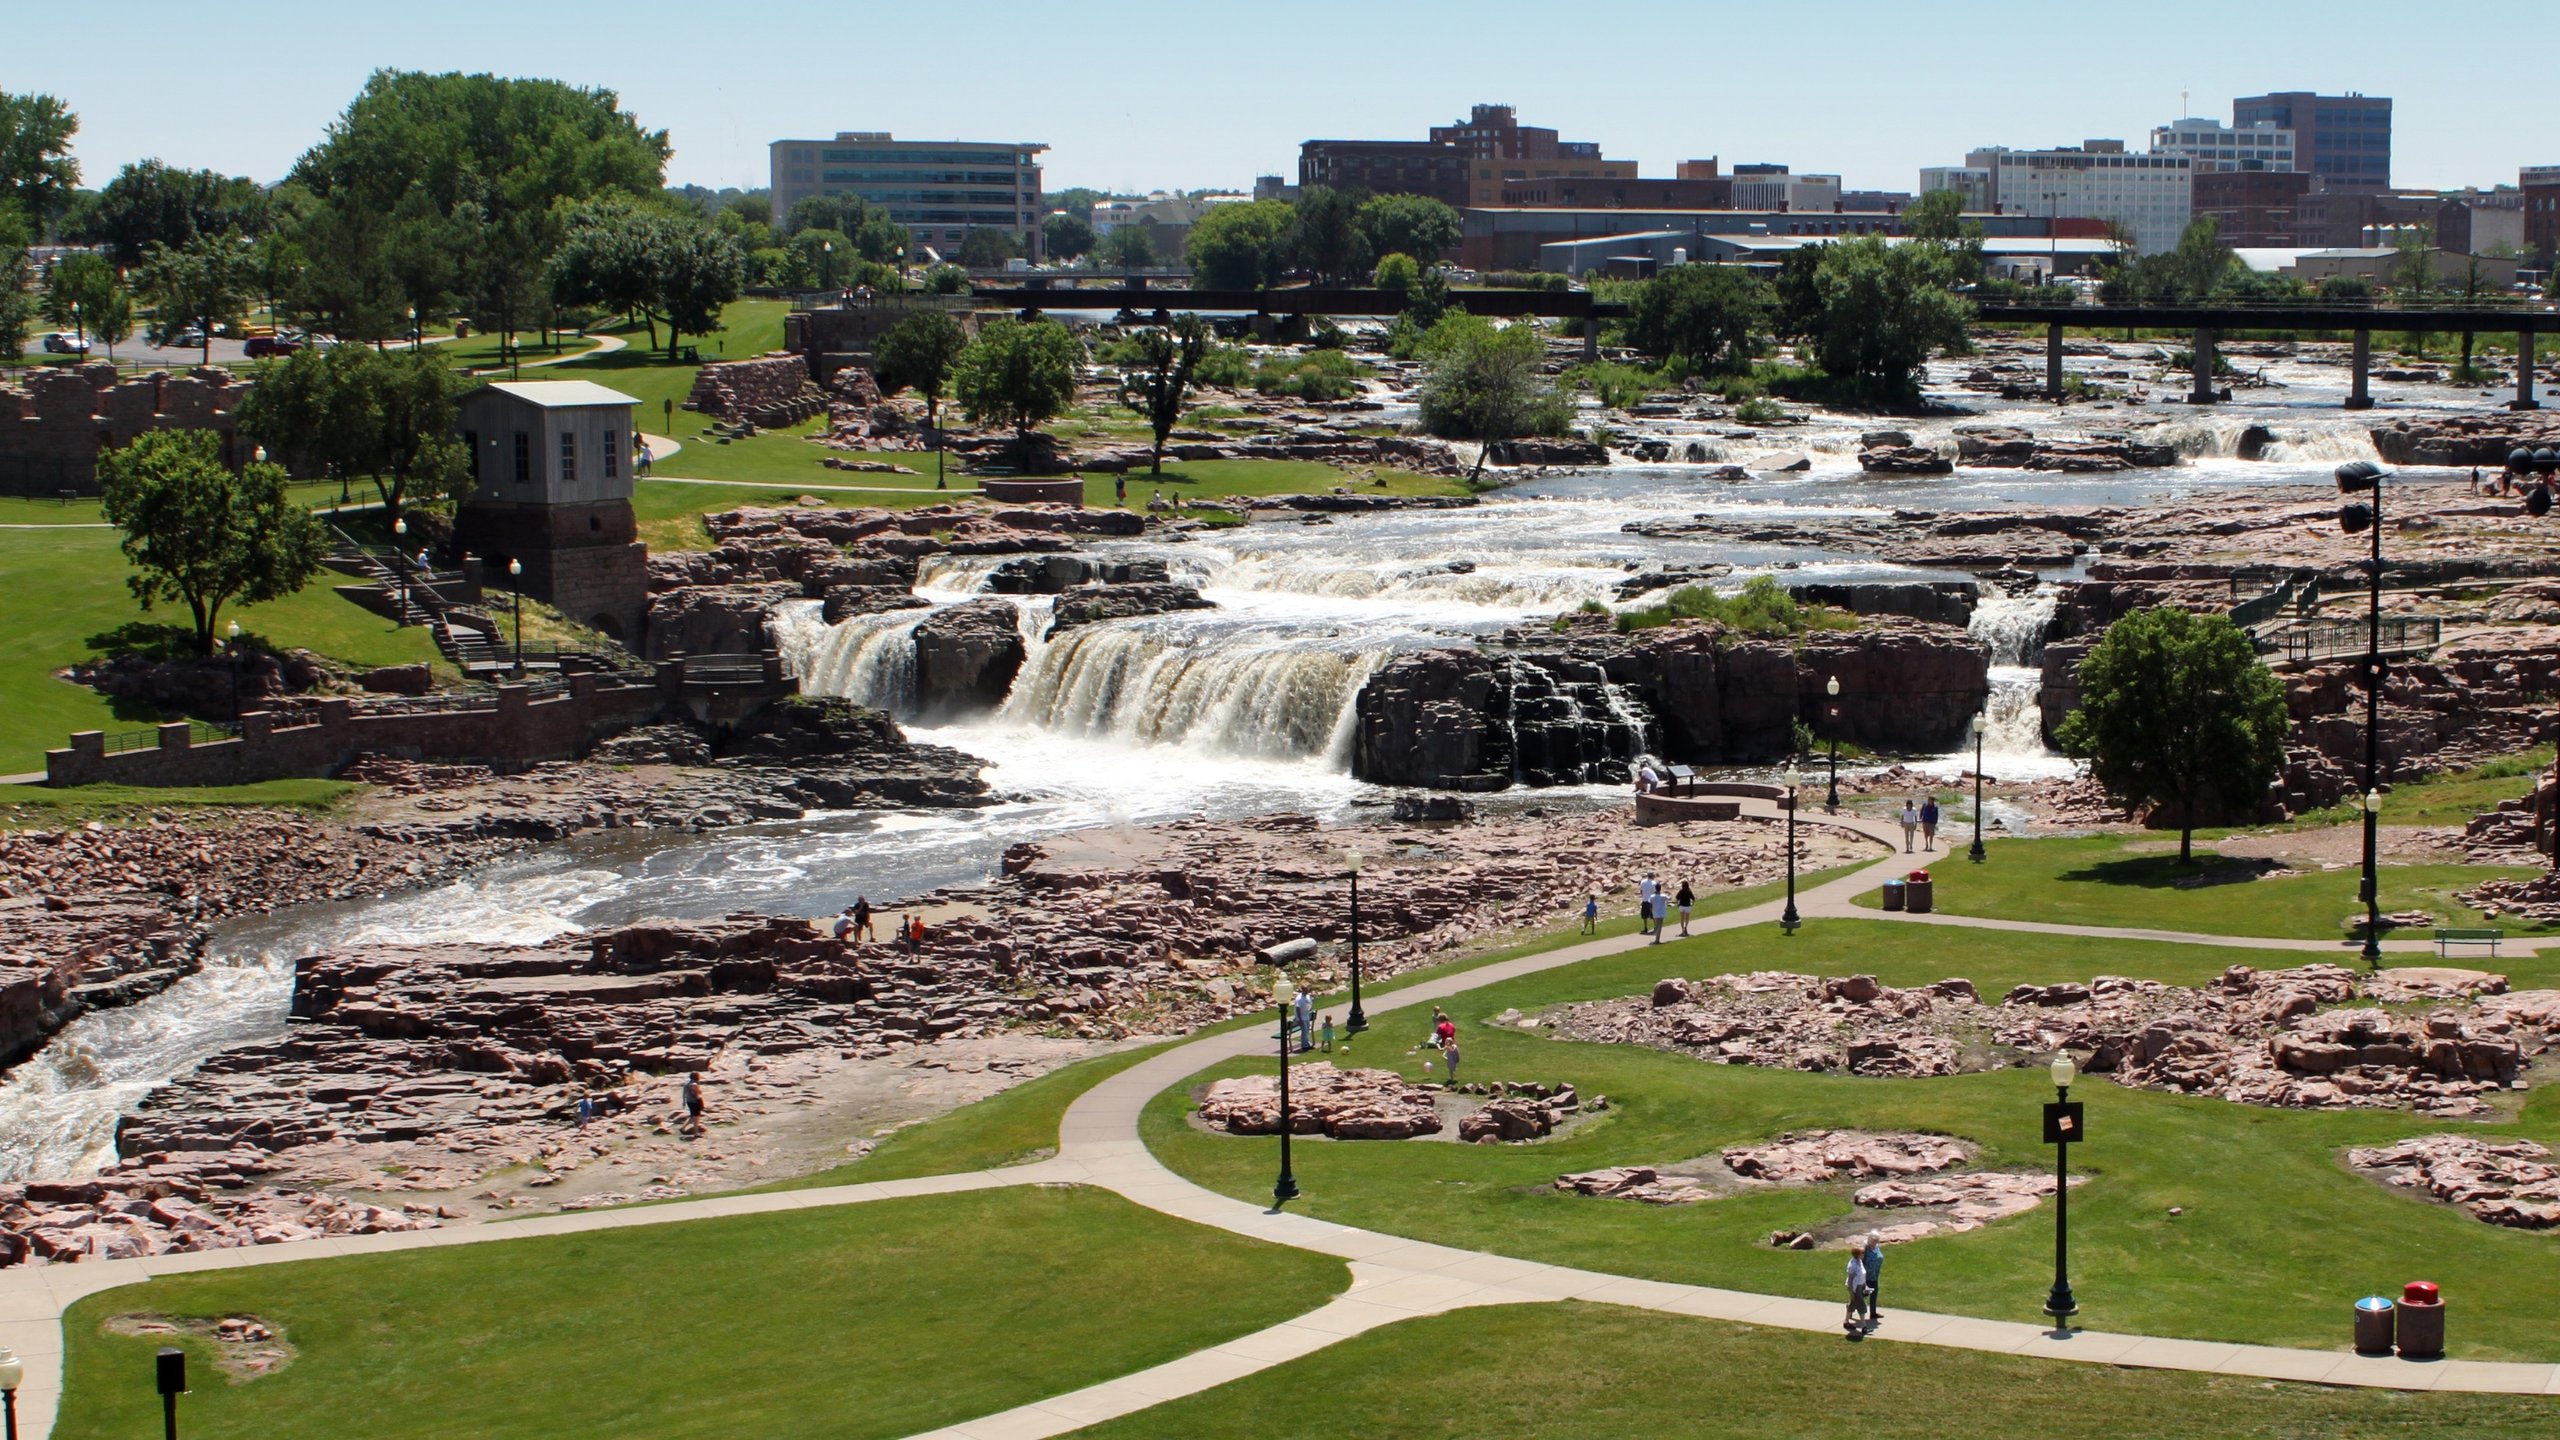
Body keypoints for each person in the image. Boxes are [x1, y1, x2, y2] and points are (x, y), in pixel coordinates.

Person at [1845, 1244, 1871, 1332]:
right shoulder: (1852, 1265)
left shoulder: (1859, 1262)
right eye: (1862, 1253)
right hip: (1854, 1288)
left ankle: (1846, 1322)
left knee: (1853, 1304)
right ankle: (1864, 1327)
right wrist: (1852, 1293)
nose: (1864, 1254)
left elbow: (1862, 1275)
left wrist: (1865, 1285)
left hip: (1860, 1286)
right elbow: (1850, 1281)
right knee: (1861, 1306)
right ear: (1857, 1254)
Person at [1862, 1234, 1886, 1323]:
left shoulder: (1877, 1248)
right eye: (1873, 1241)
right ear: (1869, 1240)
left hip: (1875, 1275)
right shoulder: (1865, 1249)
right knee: (1863, 1294)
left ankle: (1873, 1313)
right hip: (1866, 1276)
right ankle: (1850, 1308)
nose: (1875, 1242)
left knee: (1874, 1294)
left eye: (1876, 1241)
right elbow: (1861, 1261)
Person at [1294, 985, 1316, 1053]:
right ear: (1303, 989)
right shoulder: (1299, 998)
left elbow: (1309, 1003)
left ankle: (1307, 1043)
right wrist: (1299, 1019)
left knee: (1307, 1031)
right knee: (1304, 1031)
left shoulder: (1307, 996)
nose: (1307, 991)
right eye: (1306, 990)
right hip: (1302, 1017)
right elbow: (1297, 1009)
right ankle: (1304, 1045)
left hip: (1306, 1016)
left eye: (1307, 989)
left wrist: (1309, 1009)